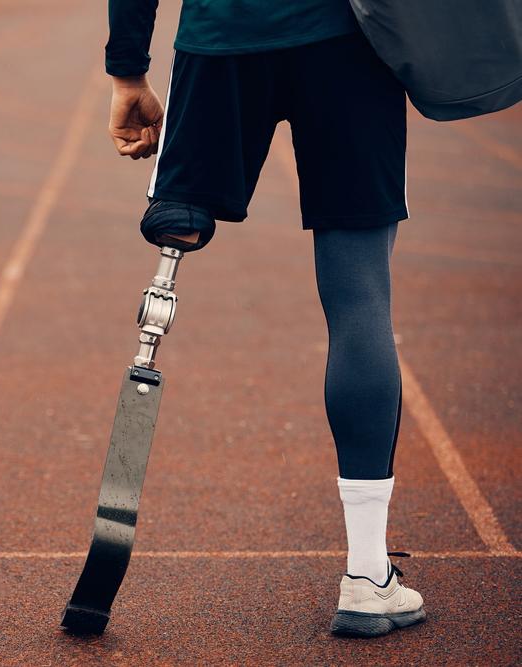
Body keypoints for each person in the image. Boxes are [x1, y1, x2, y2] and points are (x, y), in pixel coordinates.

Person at [106, 0, 426, 637]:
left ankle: (184, 203)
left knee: (177, 221)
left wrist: (128, 73)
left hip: (221, 43)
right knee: (359, 295)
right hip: (346, 44)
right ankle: (367, 575)